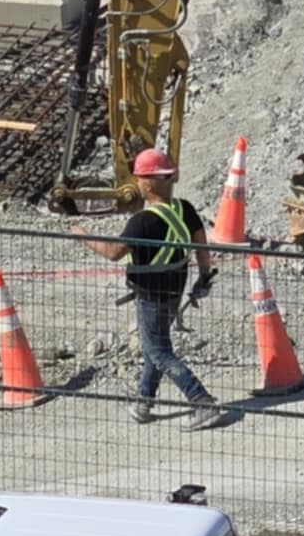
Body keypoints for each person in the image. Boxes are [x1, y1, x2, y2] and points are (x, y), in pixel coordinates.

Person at [72, 148, 225, 428]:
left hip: (150, 295)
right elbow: (203, 249)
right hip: (174, 291)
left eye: (140, 178)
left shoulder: (142, 222)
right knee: (157, 344)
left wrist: (82, 235)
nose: (138, 183)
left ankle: (201, 401)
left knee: (158, 351)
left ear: (147, 183)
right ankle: (144, 402)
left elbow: (113, 252)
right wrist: (203, 279)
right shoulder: (185, 209)